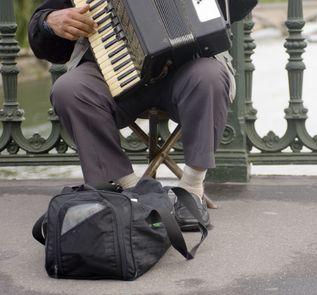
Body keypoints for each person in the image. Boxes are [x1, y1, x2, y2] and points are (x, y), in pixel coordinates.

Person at [28, 0, 236, 229]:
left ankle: (192, 191)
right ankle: (130, 192)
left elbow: (239, 7)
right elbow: (43, 40)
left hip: (187, 70)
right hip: (112, 73)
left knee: (209, 77)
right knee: (69, 89)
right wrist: (48, 22)